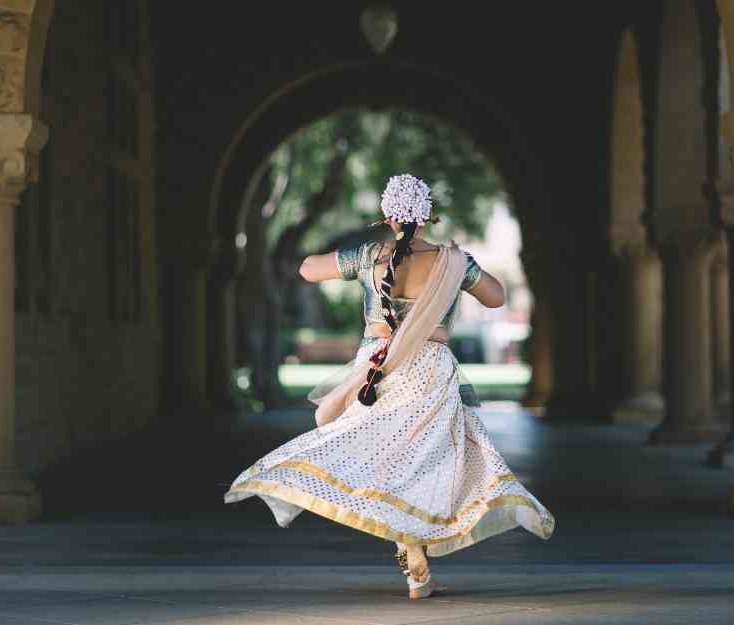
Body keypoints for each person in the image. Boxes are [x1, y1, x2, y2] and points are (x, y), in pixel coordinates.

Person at [223, 174, 554, 599]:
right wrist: (464, 267)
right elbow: (497, 298)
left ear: (387, 215)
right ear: (430, 215)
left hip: (376, 371)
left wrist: (355, 256)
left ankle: (410, 552)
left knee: (381, 458)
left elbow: (306, 269)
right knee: (424, 463)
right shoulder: (452, 262)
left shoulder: (370, 257)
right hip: (430, 372)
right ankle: (416, 554)